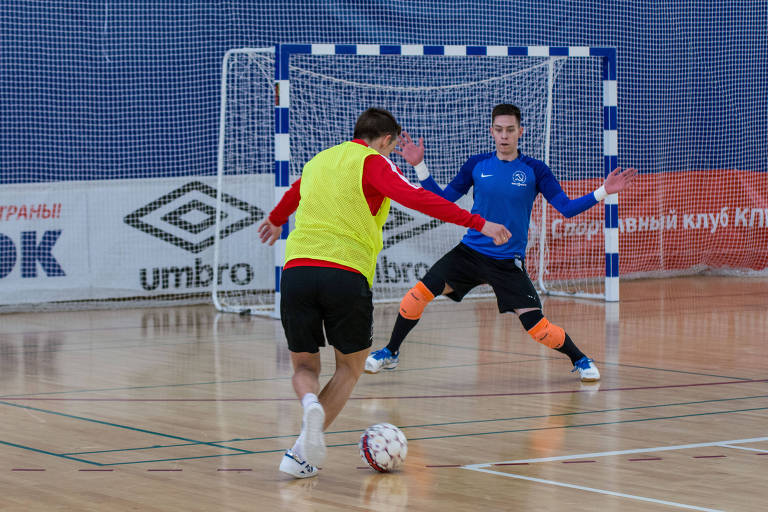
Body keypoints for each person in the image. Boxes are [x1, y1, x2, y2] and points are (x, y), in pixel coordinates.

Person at [257, 107, 511, 479]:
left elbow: (293, 195)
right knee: (349, 367)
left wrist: (277, 221)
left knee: (305, 366)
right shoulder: (374, 163)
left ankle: (310, 403)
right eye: (392, 147)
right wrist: (479, 222)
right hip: (345, 273)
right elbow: (419, 198)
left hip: (296, 272)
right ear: (387, 140)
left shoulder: (319, 161)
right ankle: (298, 453)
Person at [365, 103, 638, 382]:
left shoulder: (535, 170)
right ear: (491, 132)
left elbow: (566, 208)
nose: (504, 135)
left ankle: (580, 358)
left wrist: (604, 191)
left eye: (510, 130)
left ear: (521, 132)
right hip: (470, 253)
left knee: (538, 328)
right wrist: (420, 166)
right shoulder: (477, 164)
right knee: (416, 295)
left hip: (507, 262)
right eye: (498, 130)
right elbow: (443, 202)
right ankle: (390, 351)